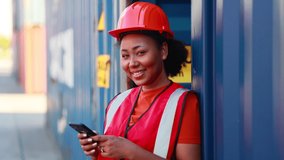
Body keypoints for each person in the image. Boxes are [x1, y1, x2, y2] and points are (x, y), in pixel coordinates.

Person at [77, 2, 200, 160]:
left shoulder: (183, 103)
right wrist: (98, 150)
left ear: (163, 51)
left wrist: (130, 151)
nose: (132, 63)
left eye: (140, 52)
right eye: (125, 56)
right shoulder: (117, 103)